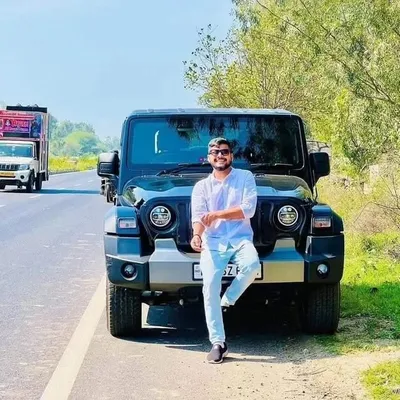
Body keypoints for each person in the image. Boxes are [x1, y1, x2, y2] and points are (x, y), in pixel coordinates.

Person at [190, 137, 260, 364]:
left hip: (240, 238)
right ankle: (218, 343)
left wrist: (217, 214)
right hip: (213, 241)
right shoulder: (201, 187)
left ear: (231, 155)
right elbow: (199, 217)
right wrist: (197, 235)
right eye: (215, 152)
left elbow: (248, 209)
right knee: (210, 286)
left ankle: (228, 299)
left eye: (224, 151)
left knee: (252, 265)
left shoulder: (245, 177)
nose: (220, 155)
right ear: (208, 158)